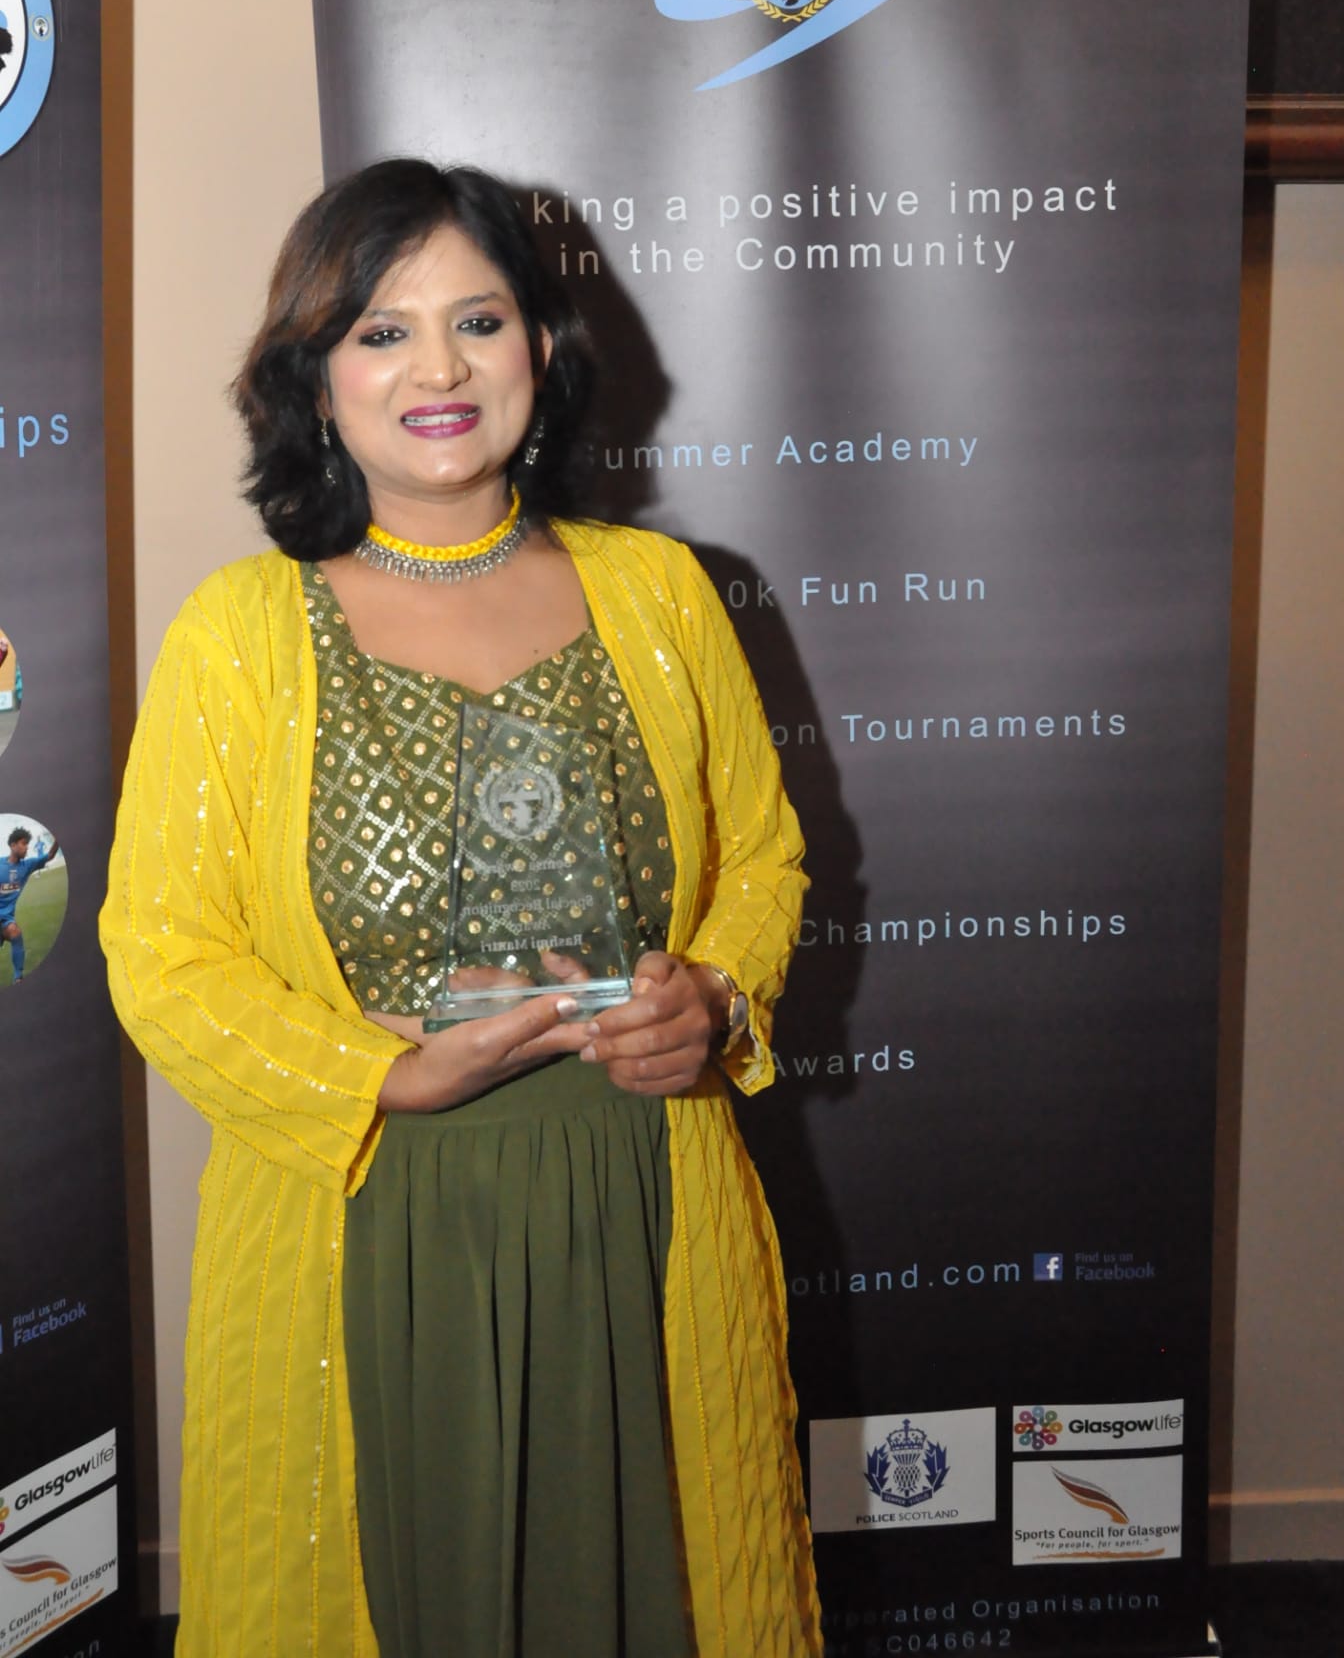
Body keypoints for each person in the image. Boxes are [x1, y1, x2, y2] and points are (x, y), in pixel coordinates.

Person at [102, 160, 821, 1658]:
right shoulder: (238, 634)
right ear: (314, 378)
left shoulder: (665, 593)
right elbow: (161, 955)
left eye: (477, 321)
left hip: (641, 1194)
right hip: (372, 1210)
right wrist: (375, 1073)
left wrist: (716, 996)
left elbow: (763, 858)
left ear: (539, 351)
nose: (438, 368)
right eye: (381, 331)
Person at [1, 824, 57, 984]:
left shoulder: (27, 866)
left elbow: (50, 855)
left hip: (6, 920)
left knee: (15, 931)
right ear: (13, 845)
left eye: (27, 844)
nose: (26, 847)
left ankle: (18, 977)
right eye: (23, 843)